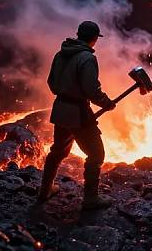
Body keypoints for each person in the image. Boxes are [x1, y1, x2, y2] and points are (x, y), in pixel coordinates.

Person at [38, 21, 116, 209]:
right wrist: (106, 102)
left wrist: (66, 92)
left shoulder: (61, 54)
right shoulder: (87, 58)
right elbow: (90, 89)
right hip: (78, 113)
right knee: (96, 154)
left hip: (61, 109)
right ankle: (90, 198)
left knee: (58, 151)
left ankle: (45, 190)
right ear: (95, 39)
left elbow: (52, 82)